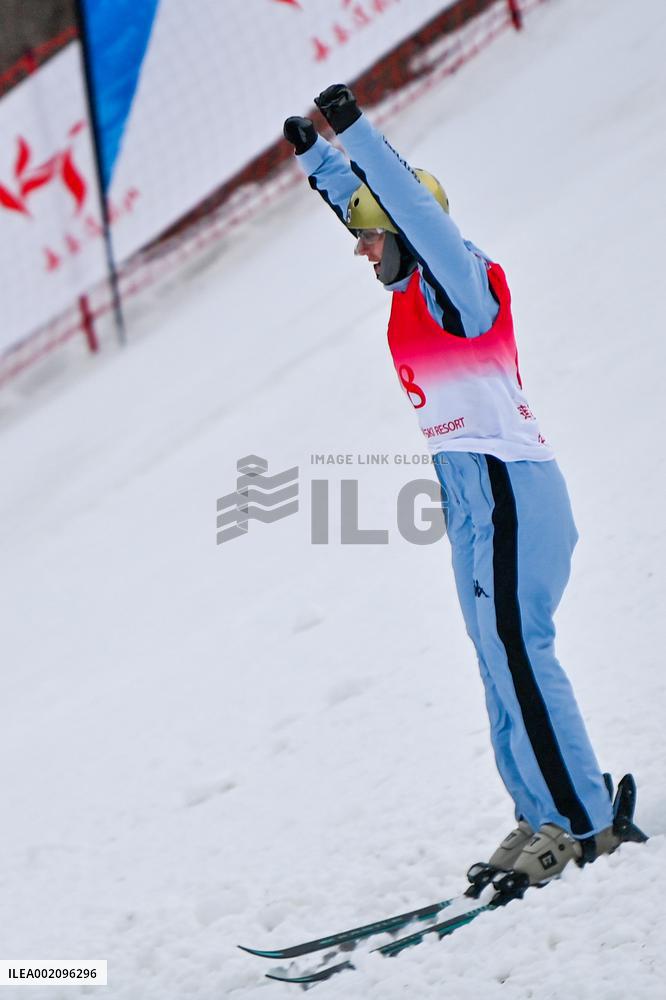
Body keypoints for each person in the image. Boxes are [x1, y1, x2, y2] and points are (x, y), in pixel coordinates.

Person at [282, 85, 636, 888]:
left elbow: (403, 205)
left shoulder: (461, 284)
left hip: (514, 492)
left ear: (408, 234)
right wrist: (315, 160)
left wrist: (355, 131)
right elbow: (369, 210)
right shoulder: (411, 290)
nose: (362, 252)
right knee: (492, 654)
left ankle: (584, 822)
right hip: (472, 500)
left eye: (372, 240)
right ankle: (539, 812)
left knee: (518, 646)